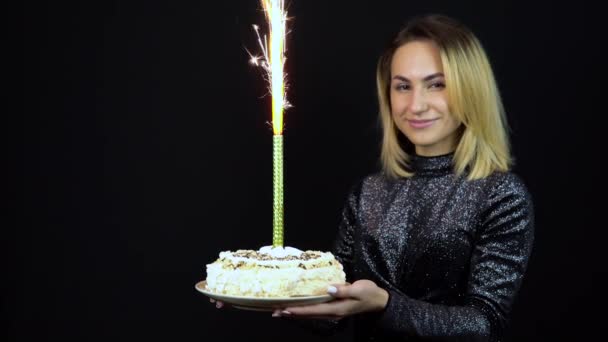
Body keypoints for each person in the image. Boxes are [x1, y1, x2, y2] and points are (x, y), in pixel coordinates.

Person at [214, 14, 534, 342]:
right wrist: (270, 292)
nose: (416, 104)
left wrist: (385, 304)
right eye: (402, 86)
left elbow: (485, 324)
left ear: (471, 89)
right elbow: (334, 311)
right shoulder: (369, 191)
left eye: (437, 84)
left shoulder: (500, 194)